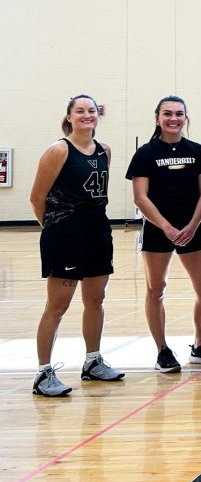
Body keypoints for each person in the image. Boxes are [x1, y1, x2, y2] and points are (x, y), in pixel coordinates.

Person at [30, 94, 125, 396]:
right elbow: (36, 198)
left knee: (95, 301)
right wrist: (56, 231)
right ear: (69, 117)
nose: (87, 115)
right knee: (57, 306)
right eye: (80, 111)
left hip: (97, 229)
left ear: (98, 115)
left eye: (91, 110)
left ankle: (92, 362)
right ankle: (43, 373)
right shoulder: (59, 150)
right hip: (65, 233)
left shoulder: (104, 150)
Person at [126, 95, 201, 373]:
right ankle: (162, 350)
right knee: (156, 289)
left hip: (192, 229)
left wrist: (192, 225)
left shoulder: (199, 151)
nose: (173, 118)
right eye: (167, 113)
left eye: (179, 114)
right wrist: (165, 226)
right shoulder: (145, 153)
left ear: (185, 118)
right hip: (158, 230)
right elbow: (141, 198)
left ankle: (200, 345)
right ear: (158, 118)